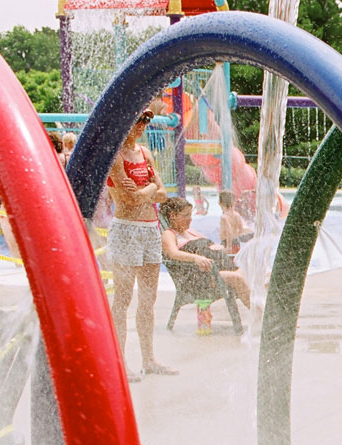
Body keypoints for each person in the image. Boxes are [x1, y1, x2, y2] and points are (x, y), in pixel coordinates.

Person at [106, 109, 174, 380]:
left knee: (148, 299)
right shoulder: (116, 157)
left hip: (149, 229)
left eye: (147, 121)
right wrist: (150, 190)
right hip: (126, 230)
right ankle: (120, 362)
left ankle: (149, 359)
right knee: (123, 298)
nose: (143, 125)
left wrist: (146, 192)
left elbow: (164, 194)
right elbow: (132, 199)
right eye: (138, 120)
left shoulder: (145, 153)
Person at [160, 196, 251, 309]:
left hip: (220, 271)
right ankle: (261, 317)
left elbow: (211, 246)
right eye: (186, 215)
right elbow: (173, 253)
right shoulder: (169, 234)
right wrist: (196, 258)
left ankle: (270, 313)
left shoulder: (191, 232)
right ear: (172, 215)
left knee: (258, 272)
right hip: (202, 278)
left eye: (190, 215)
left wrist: (219, 248)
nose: (190, 219)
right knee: (237, 278)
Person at [218, 190, 251, 254]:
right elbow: (241, 229)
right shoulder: (237, 215)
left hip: (226, 243)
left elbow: (229, 231)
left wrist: (229, 247)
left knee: (226, 262)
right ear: (234, 202)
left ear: (220, 203)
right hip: (236, 242)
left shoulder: (224, 217)